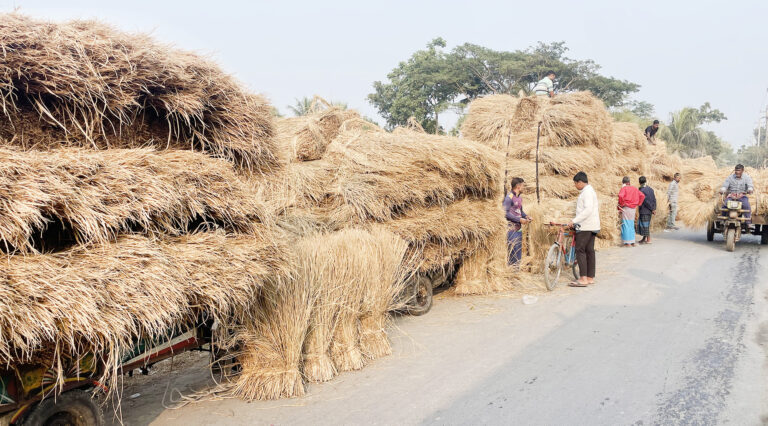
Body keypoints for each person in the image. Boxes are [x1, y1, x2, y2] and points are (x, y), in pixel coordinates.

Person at [567, 172, 600, 287]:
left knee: (580, 250)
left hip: (586, 226)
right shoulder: (590, 191)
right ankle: (590, 277)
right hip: (592, 225)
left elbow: (587, 210)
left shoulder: (587, 193)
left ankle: (583, 278)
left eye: (575, 183)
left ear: (580, 182)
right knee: (589, 251)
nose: (575, 186)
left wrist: (574, 221)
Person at [503, 177, 531, 267]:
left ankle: (516, 273)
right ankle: (511, 274)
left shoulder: (519, 198)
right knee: (512, 253)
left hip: (519, 230)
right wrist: (519, 220)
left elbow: (520, 211)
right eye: (523, 186)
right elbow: (505, 213)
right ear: (518, 186)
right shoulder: (509, 197)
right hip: (511, 230)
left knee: (518, 253)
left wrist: (526, 216)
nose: (524, 188)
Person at [618, 176, 645, 247]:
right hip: (633, 208)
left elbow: (620, 196)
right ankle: (632, 241)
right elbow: (642, 195)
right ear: (629, 182)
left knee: (626, 224)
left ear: (623, 182)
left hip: (626, 207)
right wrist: (639, 203)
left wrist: (621, 204)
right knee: (631, 224)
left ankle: (627, 243)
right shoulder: (634, 188)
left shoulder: (624, 188)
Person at [637, 176, 657, 244]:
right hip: (649, 210)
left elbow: (646, 201)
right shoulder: (650, 189)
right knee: (646, 225)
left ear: (639, 182)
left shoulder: (642, 190)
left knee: (645, 225)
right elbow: (654, 199)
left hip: (644, 210)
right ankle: (643, 239)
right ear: (646, 181)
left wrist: (652, 209)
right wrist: (654, 208)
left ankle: (648, 239)